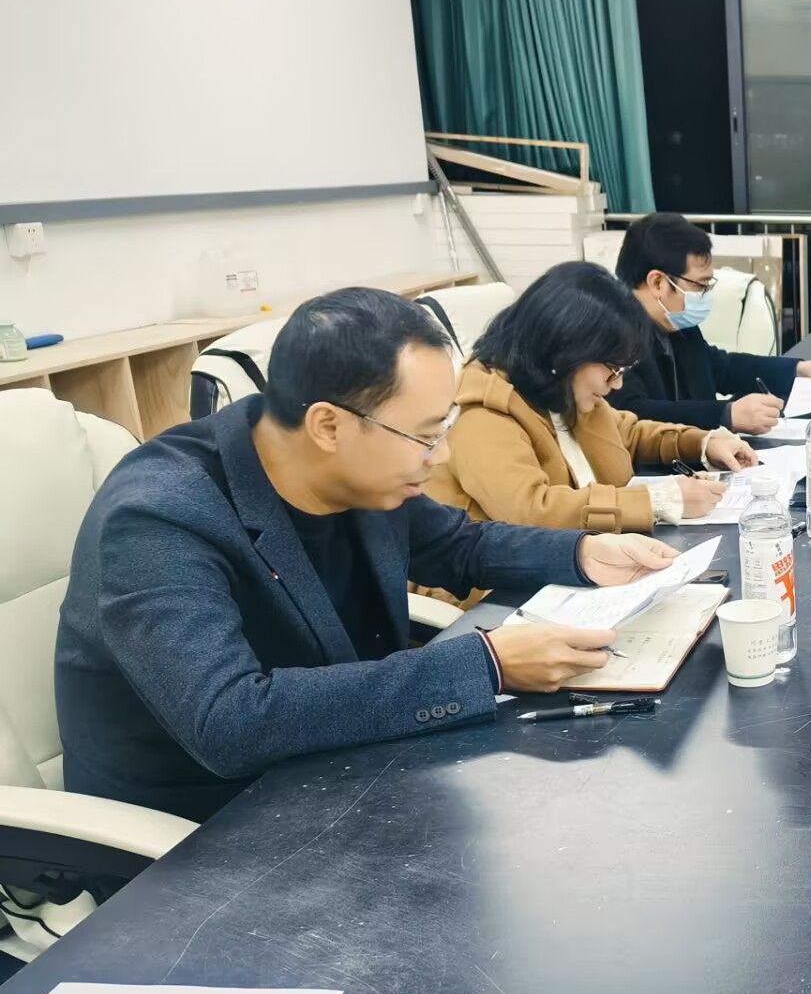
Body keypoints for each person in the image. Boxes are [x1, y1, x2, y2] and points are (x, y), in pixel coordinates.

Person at [57, 288, 682, 822]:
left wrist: (585, 552)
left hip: (338, 768)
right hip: (208, 827)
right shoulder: (160, 515)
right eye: (425, 436)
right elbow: (231, 721)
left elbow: (460, 545)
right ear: (328, 425)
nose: (439, 457)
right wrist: (487, 665)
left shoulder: (355, 468)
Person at [426, 261, 757, 534]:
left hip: (582, 563)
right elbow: (532, 510)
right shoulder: (483, 414)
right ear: (564, 351)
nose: (617, 384)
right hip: (503, 590)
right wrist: (656, 501)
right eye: (613, 370)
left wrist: (703, 443)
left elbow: (629, 432)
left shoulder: (563, 389)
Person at [611, 213, 811, 436]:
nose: (705, 295)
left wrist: (797, 370)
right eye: (700, 286)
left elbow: (721, 368)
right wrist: (726, 415)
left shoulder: (677, 324)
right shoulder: (613, 337)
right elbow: (634, 415)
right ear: (658, 283)